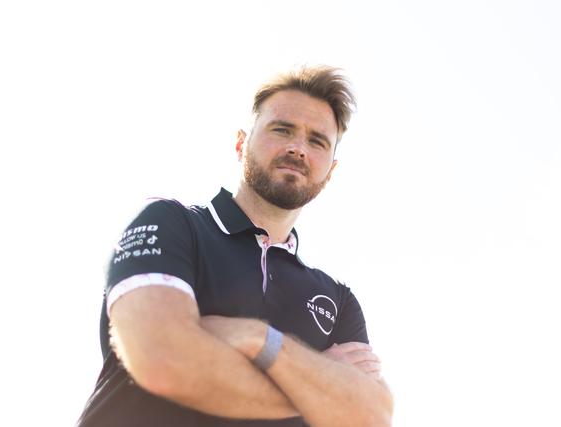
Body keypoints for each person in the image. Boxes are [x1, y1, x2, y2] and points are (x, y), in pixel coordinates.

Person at [77, 66, 393, 427]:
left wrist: (259, 339)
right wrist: (322, 385)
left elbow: (369, 416)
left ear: (330, 171)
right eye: (282, 129)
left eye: (317, 141)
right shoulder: (171, 223)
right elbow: (163, 359)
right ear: (241, 144)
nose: (298, 148)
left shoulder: (338, 301)